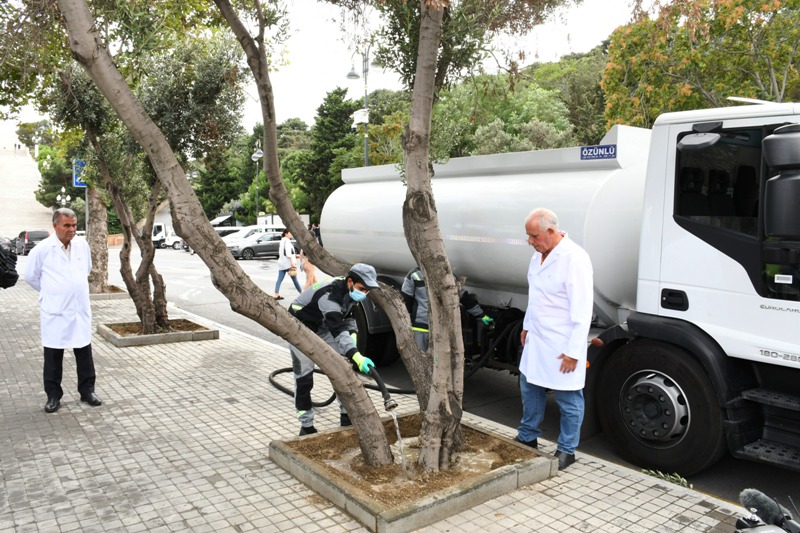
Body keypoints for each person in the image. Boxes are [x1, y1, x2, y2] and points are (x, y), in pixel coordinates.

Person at [515, 208, 593, 471]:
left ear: (550, 231)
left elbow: (582, 310)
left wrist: (574, 352)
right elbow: (535, 296)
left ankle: (567, 450)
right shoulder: (537, 256)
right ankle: (527, 437)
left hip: (562, 344)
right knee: (530, 388)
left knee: (568, 399)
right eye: (528, 236)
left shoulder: (574, 258)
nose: (530, 241)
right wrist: (527, 326)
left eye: (534, 236)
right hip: (537, 339)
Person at [24, 208, 102, 413]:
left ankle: (87, 391)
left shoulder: (82, 245)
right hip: (56, 311)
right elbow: (30, 277)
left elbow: (86, 268)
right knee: (53, 354)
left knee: (84, 351)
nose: (72, 229)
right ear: (55, 225)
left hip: (79, 309)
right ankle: (53, 395)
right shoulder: (42, 249)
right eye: (67, 225)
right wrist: (52, 292)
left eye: (74, 225)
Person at [287, 263, 379, 435]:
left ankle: (346, 415)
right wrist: (356, 356)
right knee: (304, 378)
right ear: (350, 282)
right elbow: (337, 329)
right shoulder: (329, 295)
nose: (364, 293)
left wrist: (353, 340)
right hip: (299, 329)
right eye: (362, 289)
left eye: (367, 290)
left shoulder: (350, 291)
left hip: (322, 327)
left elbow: (349, 318)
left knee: (342, 371)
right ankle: (306, 426)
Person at [401, 266, 493, 352]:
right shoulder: (449, 276)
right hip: (438, 329)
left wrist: (482, 315)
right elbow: (465, 299)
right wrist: (482, 315)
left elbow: (405, 302)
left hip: (421, 328)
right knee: (437, 359)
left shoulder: (414, 274)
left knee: (421, 358)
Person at [273, 228, 302, 300]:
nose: (291, 234)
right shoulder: (287, 241)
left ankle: (276, 294)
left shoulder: (282, 241)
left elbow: (284, 252)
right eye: (290, 232)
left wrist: (295, 256)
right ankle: (302, 293)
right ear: (286, 233)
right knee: (294, 279)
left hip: (282, 263)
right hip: (288, 263)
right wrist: (292, 263)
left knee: (279, 279)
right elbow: (288, 253)